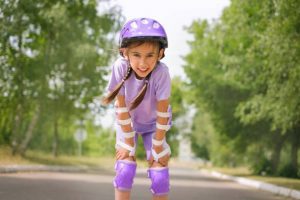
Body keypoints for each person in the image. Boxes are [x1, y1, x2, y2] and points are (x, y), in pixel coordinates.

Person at [102, 17, 172, 200]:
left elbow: (163, 113)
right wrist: (128, 144)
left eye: (150, 55)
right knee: (124, 170)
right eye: (136, 55)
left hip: (154, 126)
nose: (143, 63)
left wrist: (158, 146)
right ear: (125, 53)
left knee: (160, 176)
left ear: (160, 54)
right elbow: (121, 107)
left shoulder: (161, 73)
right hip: (128, 124)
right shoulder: (120, 68)